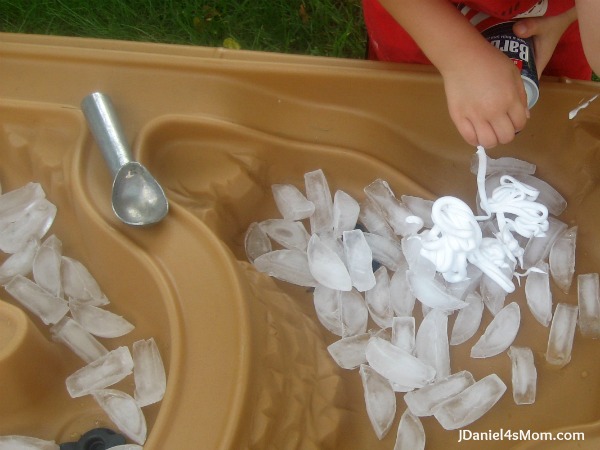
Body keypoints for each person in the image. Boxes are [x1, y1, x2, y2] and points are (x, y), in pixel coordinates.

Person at [362, 0, 600, 148]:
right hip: (424, 18)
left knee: (551, 120)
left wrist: (566, 16)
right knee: (416, 118)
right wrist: (457, 56)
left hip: (551, 22)